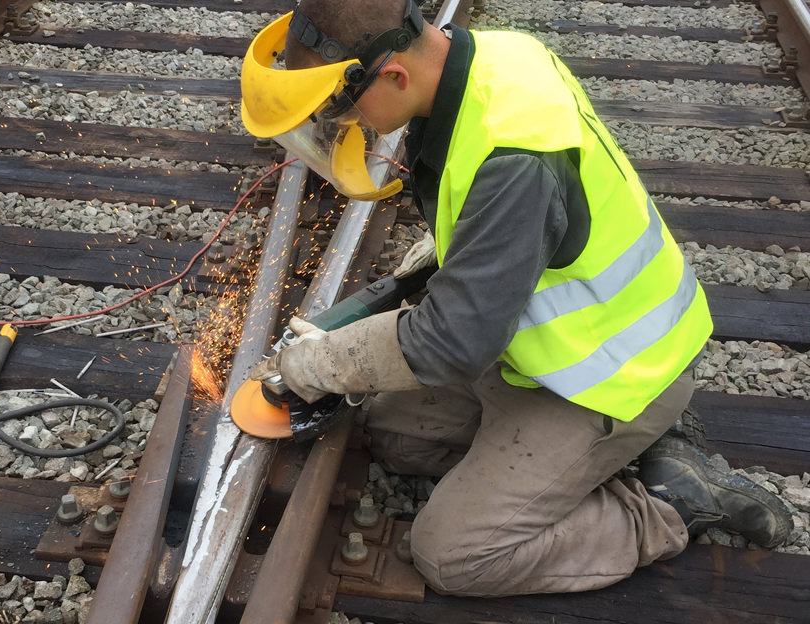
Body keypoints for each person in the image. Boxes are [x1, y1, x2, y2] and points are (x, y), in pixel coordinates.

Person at [240, 0, 793, 597]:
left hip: (613, 371)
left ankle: (670, 504)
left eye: (343, 108)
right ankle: (584, 461)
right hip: (538, 348)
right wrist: (458, 248)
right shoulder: (492, 56)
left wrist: (323, 362)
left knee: (453, 555)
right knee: (395, 434)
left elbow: (453, 340)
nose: (345, 124)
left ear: (393, 75)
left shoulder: (514, 159)